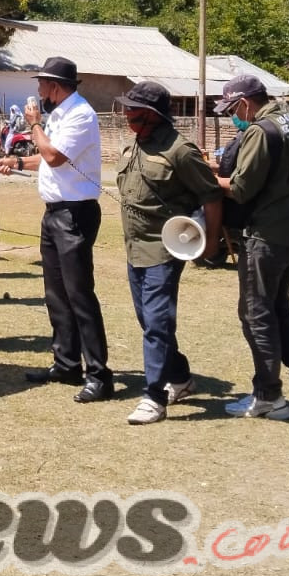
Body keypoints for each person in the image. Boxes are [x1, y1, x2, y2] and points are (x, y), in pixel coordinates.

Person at [0, 57, 112, 403]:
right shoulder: (60, 114)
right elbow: (46, 159)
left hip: (75, 214)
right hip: (55, 213)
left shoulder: (80, 115)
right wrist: (17, 161)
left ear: (55, 87)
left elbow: (55, 156)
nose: (39, 92)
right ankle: (66, 363)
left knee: (79, 295)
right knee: (56, 294)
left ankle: (99, 375)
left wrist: (34, 124)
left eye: (42, 85)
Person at [216, 74, 289, 421]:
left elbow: (241, 188)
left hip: (266, 237)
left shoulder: (259, 131)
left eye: (232, 110)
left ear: (244, 103)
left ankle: (268, 395)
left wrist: (206, 177)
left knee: (256, 314)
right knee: (279, 309)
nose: (232, 118)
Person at [113, 80, 224, 424]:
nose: (127, 115)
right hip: (134, 247)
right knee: (147, 320)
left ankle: (154, 397)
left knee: (157, 322)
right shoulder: (133, 145)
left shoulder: (180, 151)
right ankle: (180, 377)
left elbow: (211, 196)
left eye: (134, 111)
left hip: (166, 248)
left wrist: (211, 242)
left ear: (153, 115)